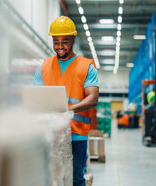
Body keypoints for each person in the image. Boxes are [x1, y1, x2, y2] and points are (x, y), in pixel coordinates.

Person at [33, 16, 99, 186]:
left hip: (77, 135)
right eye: (56, 41)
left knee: (75, 179)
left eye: (65, 41)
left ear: (73, 40)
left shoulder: (86, 67)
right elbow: (36, 97)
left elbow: (93, 98)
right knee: (49, 179)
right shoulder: (43, 67)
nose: (60, 46)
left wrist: (68, 109)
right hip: (50, 133)